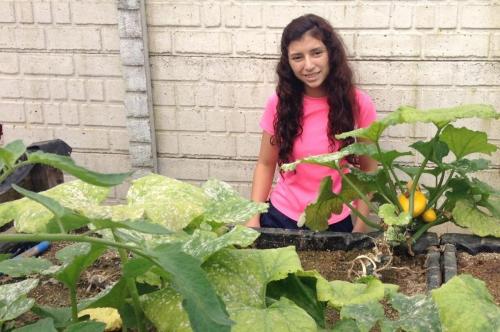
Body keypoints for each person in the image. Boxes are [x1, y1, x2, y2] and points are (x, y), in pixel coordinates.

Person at [245, 14, 378, 232]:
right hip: (281, 217)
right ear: (287, 62)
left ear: (331, 54)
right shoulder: (279, 102)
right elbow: (266, 164)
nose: (308, 65)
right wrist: (253, 219)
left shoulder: (358, 104)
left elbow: (369, 170)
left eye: (316, 53)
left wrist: (360, 228)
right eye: (297, 57)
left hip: (333, 221)